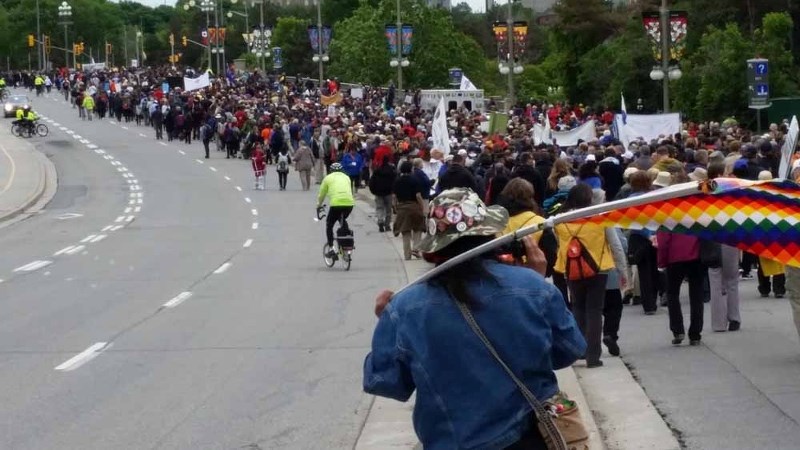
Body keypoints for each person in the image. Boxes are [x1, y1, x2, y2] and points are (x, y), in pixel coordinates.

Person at [364, 187, 586, 449]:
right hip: (529, 438)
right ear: (490, 235)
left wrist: (387, 322)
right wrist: (537, 288)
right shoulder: (533, 287)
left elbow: (386, 382)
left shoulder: (405, 307)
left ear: (436, 248)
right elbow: (569, 350)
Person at [553, 183, 627, 368]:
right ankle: (593, 356)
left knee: (578, 307)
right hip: (598, 267)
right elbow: (616, 245)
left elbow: (559, 243)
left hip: (571, 268)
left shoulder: (560, 221)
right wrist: (622, 270)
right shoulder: (599, 219)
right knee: (595, 310)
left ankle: (579, 350)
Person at [657, 174, 705, 346]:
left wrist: (661, 261)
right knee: (696, 294)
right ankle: (696, 333)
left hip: (674, 257)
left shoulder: (667, 210)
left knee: (672, 293)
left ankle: (678, 330)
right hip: (697, 255)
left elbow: (663, 241)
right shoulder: (698, 208)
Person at [705, 162, 741, 332]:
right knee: (732, 279)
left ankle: (718, 323)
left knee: (715, 279)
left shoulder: (703, 191)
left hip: (711, 237)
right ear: (720, 174)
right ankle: (734, 317)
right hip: (730, 237)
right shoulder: (731, 191)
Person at [317, 162, 355, 258]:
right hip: (349, 204)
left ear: (331, 170)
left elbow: (322, 194)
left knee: (329, 224)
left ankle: (331, 248)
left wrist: (318, 205)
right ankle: (346, 239)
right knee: (342, 219)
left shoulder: (328, 178)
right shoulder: (346, 177)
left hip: (336, 204)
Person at [392, 161, 426, 259]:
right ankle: (415, 248)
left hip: (402, 207)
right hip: (414, 206)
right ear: (410, 169)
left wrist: (395, 207)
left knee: (405, 231)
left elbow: (394, 197)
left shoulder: (397, 181)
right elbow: (418, 196)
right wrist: (422, 206)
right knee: (417, 228)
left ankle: (407, 255)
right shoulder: (414, 180)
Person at [369, 157, 397, 232]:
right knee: (388, 210)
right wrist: (394, 191)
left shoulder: (377, 171)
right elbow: (395, 181)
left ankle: (380, 221)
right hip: (388, 192)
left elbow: (372, 182)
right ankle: (387, 225)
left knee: (379, 208)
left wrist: (373, 191)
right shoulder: (392, 171)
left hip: (378, 193)